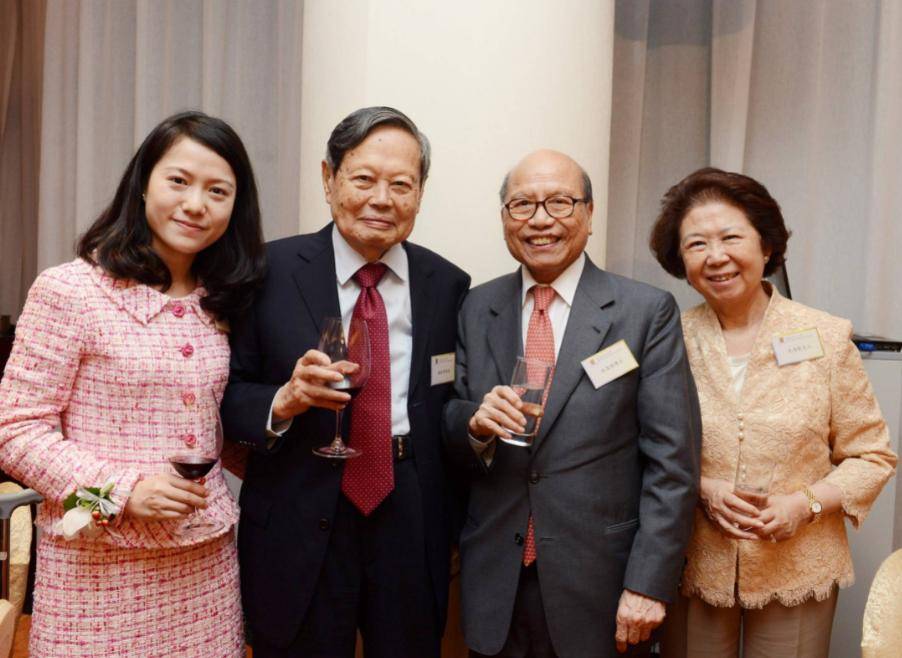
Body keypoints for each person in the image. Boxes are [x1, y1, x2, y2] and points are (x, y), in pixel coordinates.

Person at [0, 111, 266, 656]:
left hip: (205, 571)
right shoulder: (71, 290)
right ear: (143, 183)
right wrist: (121, 491)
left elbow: (224, 428)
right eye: (179, 181)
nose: (196, 204)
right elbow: (15, 431)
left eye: (218, 191)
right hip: (95, 569)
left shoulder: (228, 301)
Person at [221, 106, 470, 657]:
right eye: (363, 179)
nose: (382, 199)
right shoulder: (265, 271)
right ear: (328, 179)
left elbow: (451, 401)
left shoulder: (448, 284)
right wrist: (283, 400)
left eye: (401, 184)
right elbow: (226, 395)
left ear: (420, 194)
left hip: (410, 508)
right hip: (296, 506)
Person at [443, 149, 701, 658]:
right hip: (495, 580)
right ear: (504, 218)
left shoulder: (644, 312)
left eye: (560, 202)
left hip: (601, 583)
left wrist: (649, 583)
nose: (540, 220)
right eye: (523, 205)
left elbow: (673, 463)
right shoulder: (477, 306)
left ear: (589, 212)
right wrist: (474, 424)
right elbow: (451, 417)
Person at [649, 167, 897, 658]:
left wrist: (804, 504)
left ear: (766, 246)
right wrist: (703, 488)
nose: (715, 256)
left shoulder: (826, 336)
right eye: (696, 244)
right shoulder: (666, 339)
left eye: (730, 238)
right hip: (695, 561)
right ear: (681, 260)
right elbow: (640, 447)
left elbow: (872, 457)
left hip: (799, 562)